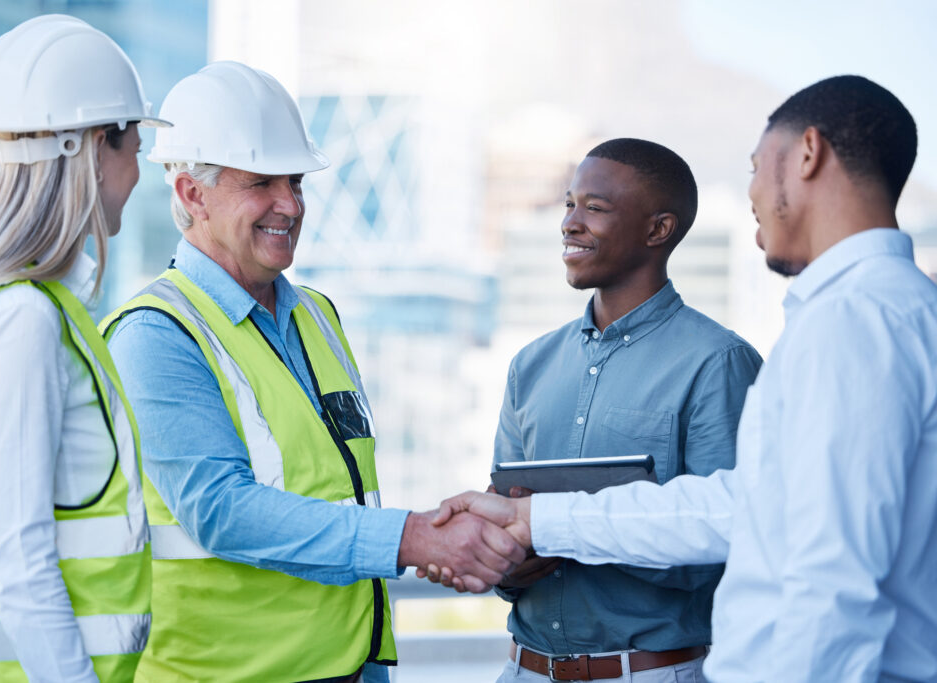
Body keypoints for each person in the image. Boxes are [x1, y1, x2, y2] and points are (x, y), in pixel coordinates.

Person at [433, 75, 937, 682]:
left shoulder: (857, 320)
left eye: (755, 166)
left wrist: (540, 525)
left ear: (808, 153)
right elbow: (737, 509)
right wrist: (529, 525)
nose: (750, 192)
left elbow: (833, 578)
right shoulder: (878, 310)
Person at [102, 61, 525, 683]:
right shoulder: (155, 335)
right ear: (192, 194)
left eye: (295, 180)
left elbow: (342, 489)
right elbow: (221, 511)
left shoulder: (317, 316)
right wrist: (415, 539)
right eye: (262, 182)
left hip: (350, 666)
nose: (290, 203)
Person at [0, 15, 168, 682]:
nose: (139, 173)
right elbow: (23, 570)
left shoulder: (12, 310)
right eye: (133, 147)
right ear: (88, 149)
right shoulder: (23, 320)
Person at [483, 139, 762, 681]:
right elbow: (505, 525)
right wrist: (508, 558)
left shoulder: (720, 363)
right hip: (524, 669)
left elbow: (729, 545)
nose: (569, 222)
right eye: (569, 204)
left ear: (658, 230)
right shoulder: (530, 365)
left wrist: (564, 531)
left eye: (595, 208)